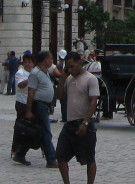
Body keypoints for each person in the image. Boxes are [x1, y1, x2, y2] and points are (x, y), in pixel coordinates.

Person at [55, 51, 100, 184]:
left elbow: (93, 102)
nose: (70, 69)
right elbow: (58, 96)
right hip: (70, 124)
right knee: (61, 156)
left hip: (84, 123)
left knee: (89, 159)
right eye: (68, 67)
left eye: (73, 66)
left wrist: (85, 122)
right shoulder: (68, 79)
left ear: (80, 63)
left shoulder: (90, 79)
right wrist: (63, 77)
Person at [26, 50, 59, 168]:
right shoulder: (35, 73)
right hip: (39, 105)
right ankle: (51, 159)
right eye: (51, 58)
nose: (52, 60)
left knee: (37, 131)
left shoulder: (44, 72)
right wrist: (28, 110)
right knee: (46, 132)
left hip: (44, 105)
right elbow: (31, 93)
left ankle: (20, 153)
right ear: (45, 60)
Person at [11, 52, 36, 164]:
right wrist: (30, 78)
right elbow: (20, 85)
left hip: (32, 102)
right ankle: (15, 149)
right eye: (26, 62)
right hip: (22, 102)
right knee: (20, 127)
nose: (28, 64)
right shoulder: (20, 73)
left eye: (30, 62)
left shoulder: (35, 72)